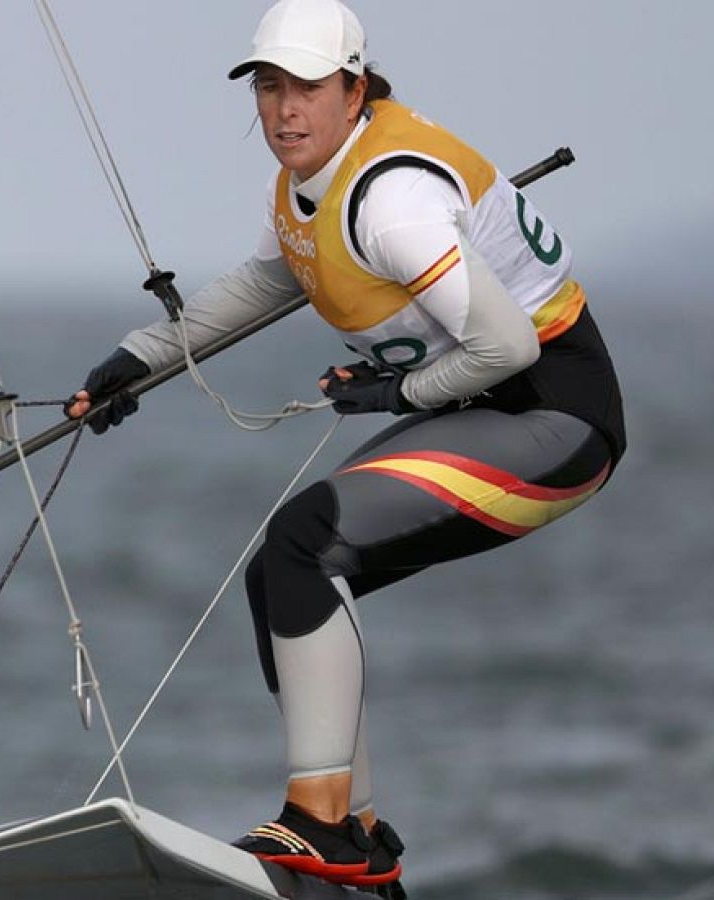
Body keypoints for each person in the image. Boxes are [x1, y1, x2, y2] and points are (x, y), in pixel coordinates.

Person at [66, 0, 624, 889]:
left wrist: (395, 393)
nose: (286, 110)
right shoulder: (306, 181)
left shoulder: (393, 202)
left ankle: (319, 823)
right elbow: (268, 279)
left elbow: (510, 347)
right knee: (280, 572)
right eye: (268, 87)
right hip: (484, 409)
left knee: (305, 542)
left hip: (557, 419)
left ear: (356, 90)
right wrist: (141, 357)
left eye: (308, 88)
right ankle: (358, 835)